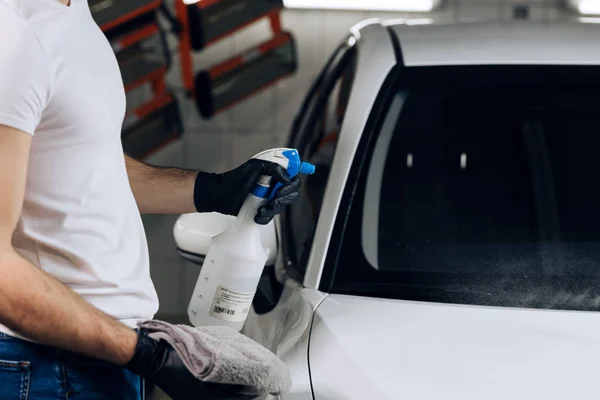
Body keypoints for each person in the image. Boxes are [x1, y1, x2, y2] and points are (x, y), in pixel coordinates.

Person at [0, 0, 300, 398]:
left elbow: (87, 166)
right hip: (49, 366)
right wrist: (147, 355)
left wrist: (216, 189)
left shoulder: (71, 15)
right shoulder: (16, 34)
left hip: (98, 355)